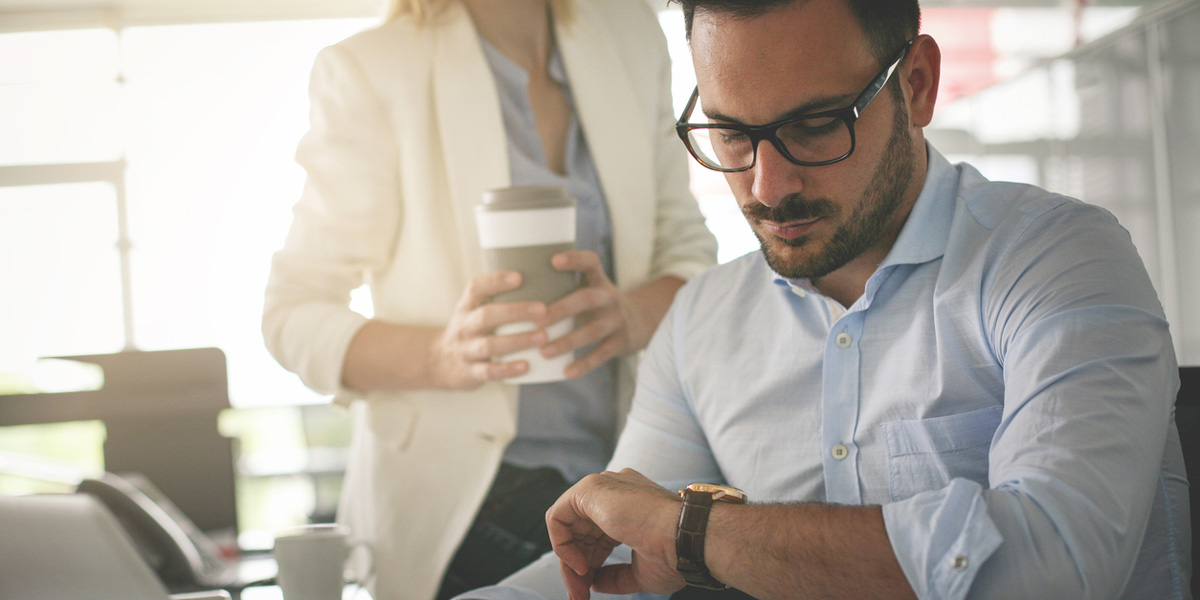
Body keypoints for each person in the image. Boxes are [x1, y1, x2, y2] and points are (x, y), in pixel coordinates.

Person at [459, 0, 1190, 599]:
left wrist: (692, 532)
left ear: (918, 86)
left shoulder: (1059, 259)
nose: (768, 187)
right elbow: (610, 570)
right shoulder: (702, 323)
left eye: (814, 126)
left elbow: (1055, 563)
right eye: (731, 134)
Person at [260, 0, 718, 598]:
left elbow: (689, 255)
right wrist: (441, 357)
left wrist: (631, 316)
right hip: (463, 503)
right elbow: (291, 312)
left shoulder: (630, 34)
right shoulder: (372, 70)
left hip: (624, 473)